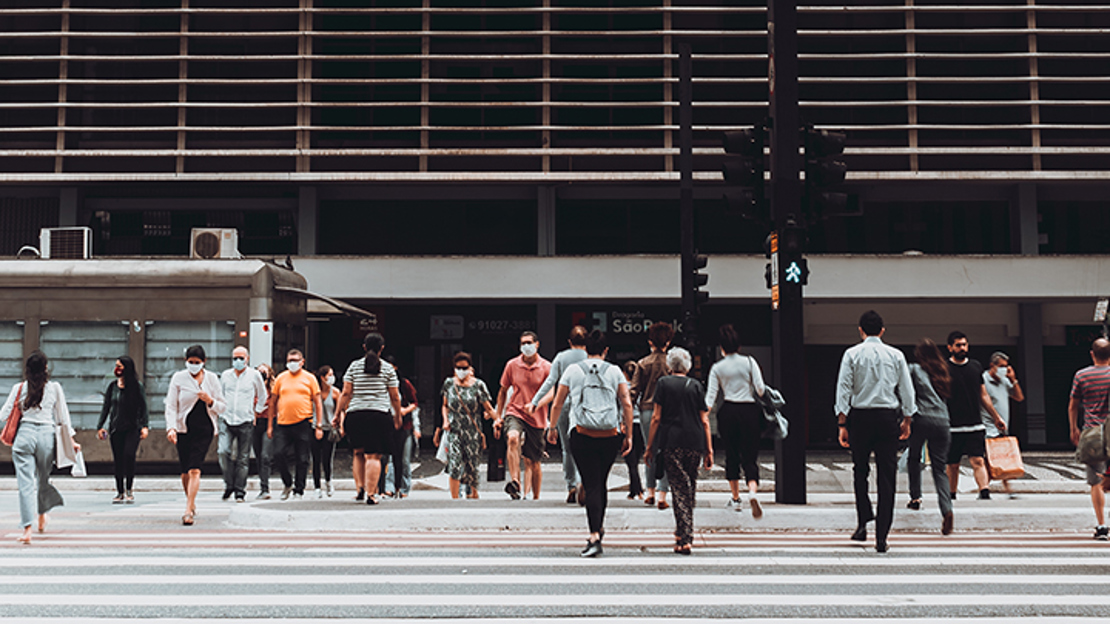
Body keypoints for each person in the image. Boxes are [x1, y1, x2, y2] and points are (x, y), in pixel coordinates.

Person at [547, 330, 634, 558]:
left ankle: (595, 535)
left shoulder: (573, 370)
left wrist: (552, 427)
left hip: (582, 434)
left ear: (585, 349)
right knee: (600, 483)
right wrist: (629, 435)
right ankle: (599, 527)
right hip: (609, 434)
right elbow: (626, 403)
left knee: (591, 482)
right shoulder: (615, 371)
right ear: (606, 350)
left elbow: (558, 402)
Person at [835, 310, 916, 553]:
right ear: (882, 330)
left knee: (860, 471)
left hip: (860, 417)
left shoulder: (851, 354)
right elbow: (906, 389)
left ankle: (863, 523)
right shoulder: (896, 355)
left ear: (860, 330)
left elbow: (843, 389)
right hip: (887, 417)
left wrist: (842, 423)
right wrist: (908, 419)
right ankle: (882, 536)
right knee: (887, 476)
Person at [1, 351, 80, 544]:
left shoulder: (19, 388)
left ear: (27, 370)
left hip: (24, 436)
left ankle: (27, 529)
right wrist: (71, 440)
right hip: (46, 436)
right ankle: (42, 516)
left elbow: (4, 414)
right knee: (43, 480)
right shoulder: (54, 388)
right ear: (45, 369)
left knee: (25, 484)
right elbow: (63, 417)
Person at [645, 347, 713, 555]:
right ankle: (682, 530)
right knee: (688, 487)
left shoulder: (663, 384)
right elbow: (705, 420)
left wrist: (649, 447)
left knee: (679, 489)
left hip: (672, 441)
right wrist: (709, 449)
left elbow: (656, 417)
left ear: (669, 365)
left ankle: (685, 538)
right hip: (695, 441)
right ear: (688, 365)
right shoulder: (696, 386)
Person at [705, 323, 766, 519]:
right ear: (739, 346)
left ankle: (736, 498)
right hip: (749, 411)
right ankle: (753, 492)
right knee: (750, 456)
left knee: (731, 454)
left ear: (722, 348)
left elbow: (710, 398)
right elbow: (760, 389)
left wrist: (703, 416)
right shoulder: (749, 362)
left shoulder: (717, 367)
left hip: (728, 411)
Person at [336, 333, 403, 505]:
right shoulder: (387, 368)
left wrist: (337, 415)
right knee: (373, 456)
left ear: (364, 347)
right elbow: (395, 396)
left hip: (355, 414)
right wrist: (397, 415)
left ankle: (360, 489)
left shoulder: (354, 366)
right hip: (379, 415)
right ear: (382, 348)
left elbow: (346, 393)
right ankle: (371, 494)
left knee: (358, 453)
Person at [165, 344, 225, 526]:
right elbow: (171, 405)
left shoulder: (212, 379)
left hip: (204, 429)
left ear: (204, 362)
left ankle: (187, 509)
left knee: (195, 468)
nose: (193, 365)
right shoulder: (178, 378)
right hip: (184, 428)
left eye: (197, 362)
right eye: (190, 362)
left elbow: (223, 407)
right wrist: (171, 427)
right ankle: (191, 501)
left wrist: (210, 400)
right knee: (184, 471)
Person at [529, 325, 588, 505]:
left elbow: (550, 382)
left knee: (567, 448)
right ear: (586, 343)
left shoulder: (561, 357)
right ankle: (581, 481)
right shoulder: (590, 357)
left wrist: (535, 401)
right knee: (584, 447)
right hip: (584, 405)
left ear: (569, 342)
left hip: (562, 405)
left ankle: (570, 485)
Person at [945, 331, 1006, 500]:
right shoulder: (945, 368)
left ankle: (984, 492)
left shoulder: (975, 366)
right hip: (952, 425)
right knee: (952, 464)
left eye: (964, 344)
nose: (962, 348)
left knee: (978, 460)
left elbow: (983, 395)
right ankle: (951, 494)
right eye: (958, 345)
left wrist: (996, 417)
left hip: (975, 424)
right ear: (950, 348)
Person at [905, 338, 954, 536]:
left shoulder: (914, 369)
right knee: (939, 469)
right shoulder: (943, 371)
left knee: (914, 458)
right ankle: (947, 509)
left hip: (921, 419)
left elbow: (905, 390)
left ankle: (915, 497)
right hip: (943, 421)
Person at [494, 331, 552, 500]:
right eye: (522, 343)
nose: (526, 346)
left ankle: (536, 497)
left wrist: (536, 405)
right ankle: (514, 482)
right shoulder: (512, 365)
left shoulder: (546, 367)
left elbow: (552, 392)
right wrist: (499, 416)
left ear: (537, 344)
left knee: (534, 461)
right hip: (515, 410)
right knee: (512, 438)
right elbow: (503, 391)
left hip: (537, 416)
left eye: (529, 342)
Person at [1068, 337, 1110, 541]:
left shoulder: (1081, 375)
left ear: (1092, 354)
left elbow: (1073, 405)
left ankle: (1102, 525)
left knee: (1096, 482)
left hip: (1092, 433)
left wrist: (1073, 428)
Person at [268, 349, 323, 501]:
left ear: (302, 362)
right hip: (282, 423)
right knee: (278, 454)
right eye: (289, 360)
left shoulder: (310, 378)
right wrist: (270, 426)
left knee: (302, 458)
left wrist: (319, 425)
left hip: (303, 422)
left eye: (295, 360)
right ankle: (287, 483)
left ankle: (299, 489)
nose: (292, 363)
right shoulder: (281, 378)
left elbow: (318, 402)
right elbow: (272, 402)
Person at [441, 351, 496, 499]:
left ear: (470, 367)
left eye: (464, 368)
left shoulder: (478, 385)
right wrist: (445, 421)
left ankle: (473, 494)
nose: (461, 371)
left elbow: (488, 407)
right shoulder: (449, 383)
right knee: (455, 462)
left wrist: (497, 420)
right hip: (454, 429)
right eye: (458, 367)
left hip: (472, 430)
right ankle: (454, 498)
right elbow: (445, 405)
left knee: (472, 464)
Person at [631, 321, 673, 510]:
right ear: (668, 342)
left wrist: (625, 416)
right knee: (666, 452)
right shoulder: (672, 364)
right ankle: (663, 494)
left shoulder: (642, 363)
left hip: (647, 411)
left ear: (650, 342)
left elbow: (634, 391)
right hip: (668, 412)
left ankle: (650, 491)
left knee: (649, 452)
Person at [96, 355, 149, 504]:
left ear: (127, 368)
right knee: (118, 459)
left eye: (120, 366)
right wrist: (100, 426)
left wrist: (145, 426)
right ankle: (119, 491)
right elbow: (106, 407)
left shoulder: (137, 387)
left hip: (133, 428)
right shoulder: (112, 387)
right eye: (116, 366)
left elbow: (143, 407)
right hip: (116, 429)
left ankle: (129, 489)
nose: (117, 369)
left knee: (129, 455)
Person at [218, 346, 268, 503]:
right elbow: (220, 394)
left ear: (247, 358)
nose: (238, 361)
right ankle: (229, 483)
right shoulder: (226, 375)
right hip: (227, 419)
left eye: (241, 358)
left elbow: (263, 395)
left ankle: (239, 491)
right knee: (222, 451)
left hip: (245, 421)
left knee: (243, 458)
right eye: (235, 358)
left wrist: (256, 411)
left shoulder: (254, 376)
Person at [981, 351, 1025, 498]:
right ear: (991, 366)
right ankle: (985, 489)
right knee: (990, 459)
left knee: (1001, 459)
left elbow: (1019, 397)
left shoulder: (1004, 381)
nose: (1004, 370)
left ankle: (1004, 489)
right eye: (1001, 366)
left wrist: (1014, 380)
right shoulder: (983, 380)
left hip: (1002, 427)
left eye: (1006, 366)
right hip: (988, 426)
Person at [384, 360, 421, 498]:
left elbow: (415, 402)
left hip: (405, 425)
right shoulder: (382, 383)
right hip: (389, 423)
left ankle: (404, 487)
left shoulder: (404, 384)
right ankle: (390, 487)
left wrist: (405, 411)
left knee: (404, 459)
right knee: (390, 459)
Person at [311, 365, 341, 498]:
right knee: (315, 458)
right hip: (315, 427)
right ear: (322, 378)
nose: (332, 377)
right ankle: (317, 486)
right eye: (329, 375)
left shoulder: (335, 392)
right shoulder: (314, 392)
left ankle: (328, 482)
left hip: (329, 429)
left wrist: (340, 425)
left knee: (327, 458)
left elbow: (340, 410)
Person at [621, 360, 645, 500]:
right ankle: (636, 490)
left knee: (630, 460)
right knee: (635, 459)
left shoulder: (622, 388)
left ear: (625, 373)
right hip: (640, 424)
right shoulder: (641, 389)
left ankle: (636, 490)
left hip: (628, 424)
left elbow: (622, 409)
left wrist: (622, 424)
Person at [252, 363, 276, 499]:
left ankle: (265, 488)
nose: (261, 374)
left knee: (265, 455)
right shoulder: (253, 387)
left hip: (269, 421)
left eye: (264, 372)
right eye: (259, 371)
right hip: (256, 422)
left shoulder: (272, 388)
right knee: (258, 456)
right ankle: (263, 487)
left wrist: (271, 426)